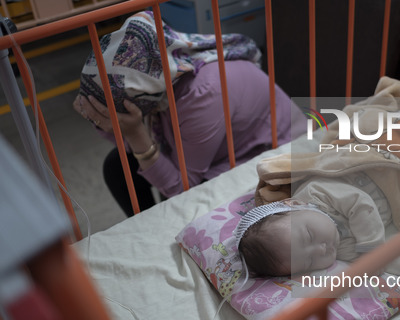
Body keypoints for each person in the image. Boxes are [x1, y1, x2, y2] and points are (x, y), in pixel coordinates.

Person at [73, 11, 305, 216]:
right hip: (228, 145)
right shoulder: (165, 77)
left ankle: (162, 233)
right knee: (118, 165)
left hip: (275, 153)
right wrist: (108, 124)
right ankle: (151, 226)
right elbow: (126, 148)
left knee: (171, 195)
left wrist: (135, 134)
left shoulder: (201, 94)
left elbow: (182, 190)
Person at [235, 181, 400, 279]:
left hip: (383, 176)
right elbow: (385, 260)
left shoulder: (316, 194)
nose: (322, 249)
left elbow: (360, 201)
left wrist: (371, 249)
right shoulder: (342, 249)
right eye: (308, 263)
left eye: (309, 235)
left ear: (295, 205)